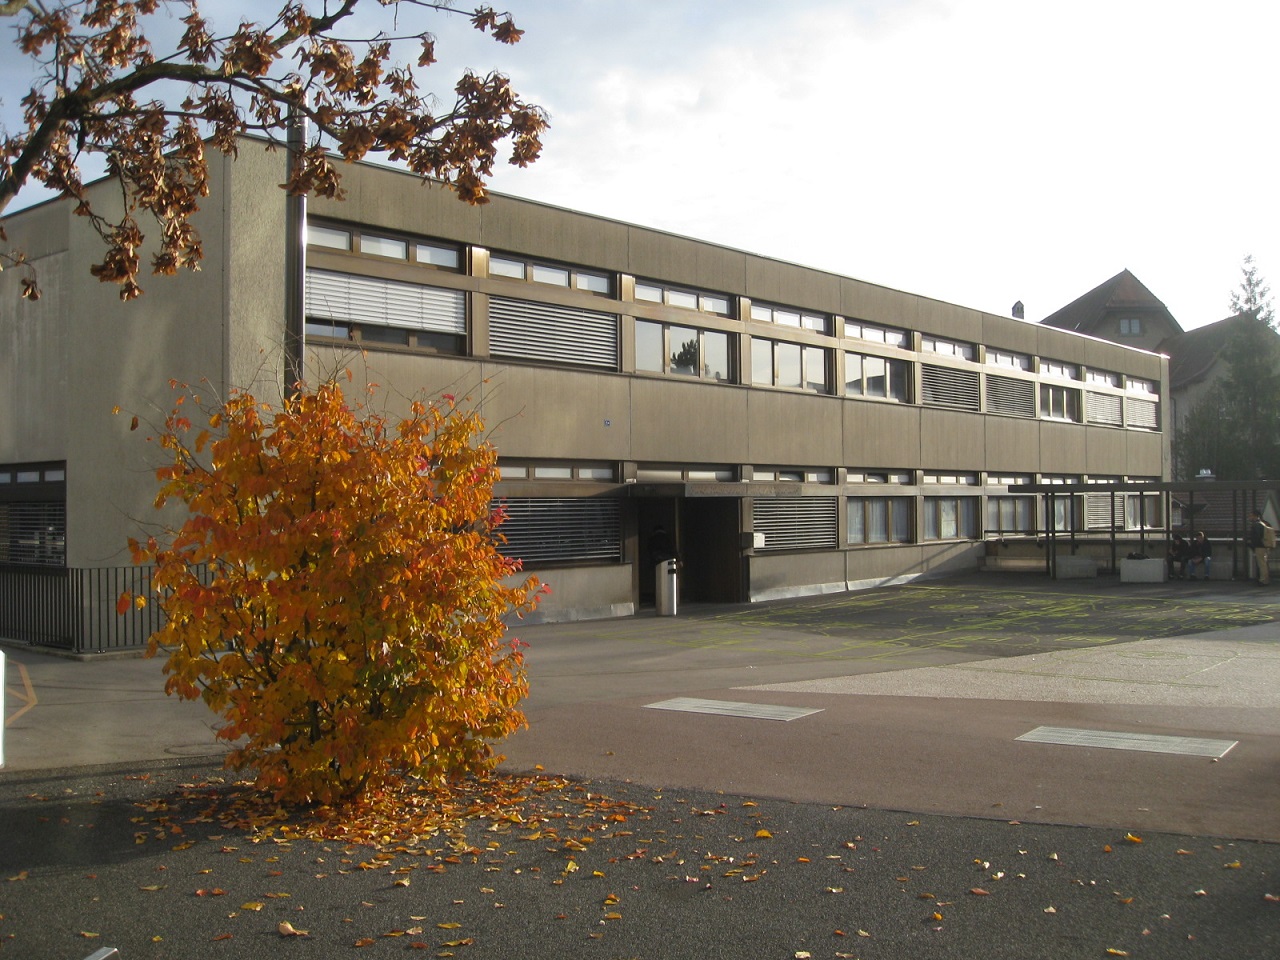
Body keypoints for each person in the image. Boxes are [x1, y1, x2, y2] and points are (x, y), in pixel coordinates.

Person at [1246, 510, 1274, 585]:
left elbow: (1256, 537)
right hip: (1264, 546)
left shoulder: (1256, 525)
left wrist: (1252, 545)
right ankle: (1265, 579)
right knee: (1264, 563)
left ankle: (1263, 580)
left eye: (1251, 516)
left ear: (1255, 516)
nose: (1249, 517)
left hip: (1259, 546)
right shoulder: (1263, 524)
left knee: (1261, 564)